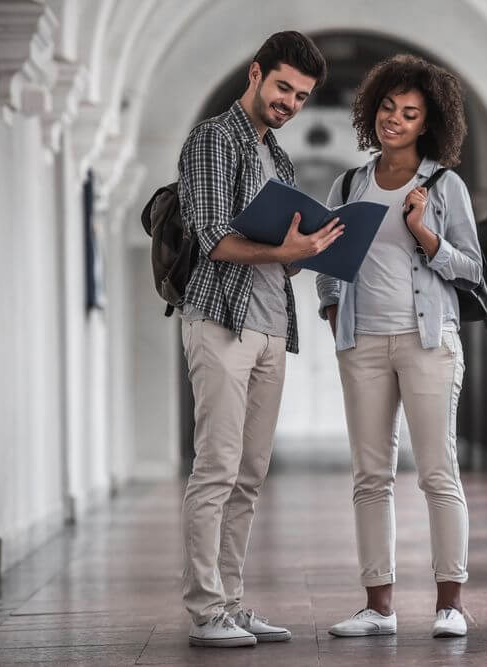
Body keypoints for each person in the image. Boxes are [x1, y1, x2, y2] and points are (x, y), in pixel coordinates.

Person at [177, 31, 342, 648]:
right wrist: (284, 250)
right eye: (283, 89)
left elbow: (279, 254)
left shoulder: (281, 157)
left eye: (301, 97)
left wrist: (312, 251)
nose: (291, 104)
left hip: (273, 326)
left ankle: (232, 600)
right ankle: (204, 609)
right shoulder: (213, 141)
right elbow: (215, 239)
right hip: (221, 321)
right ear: (255, 74)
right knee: (216, 469)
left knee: (249, 474)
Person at [316, 55, 482, 639]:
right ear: (372, 109)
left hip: (428, 342)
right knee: (370, 474)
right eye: (388, 107)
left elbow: (471, 268)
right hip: (362, 342)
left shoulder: (444, 185)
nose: (395, 119)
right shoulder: (349, 183)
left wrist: (425, 234)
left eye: (409, 114)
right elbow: (329, 257)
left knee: (438, 472)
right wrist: (332, 306)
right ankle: (379, 607)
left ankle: (450, 604)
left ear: (426, 124)